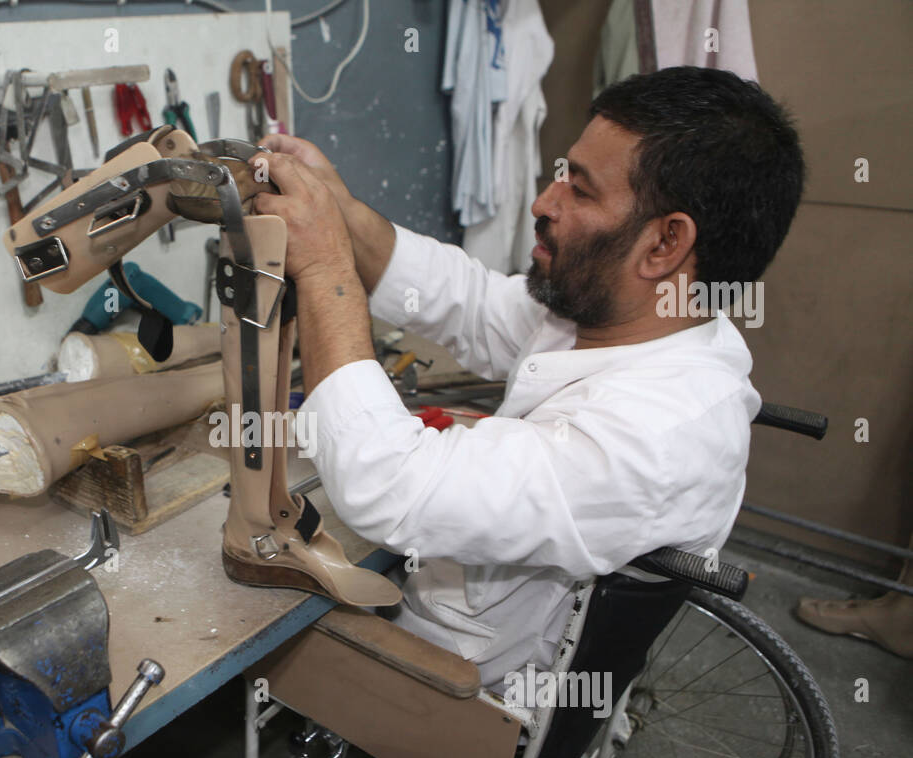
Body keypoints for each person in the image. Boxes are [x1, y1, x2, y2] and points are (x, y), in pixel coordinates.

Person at [250, 66, 805, 691]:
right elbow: (468, 301)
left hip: (471, 680)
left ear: (664, 244)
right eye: (561, 174)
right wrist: (343, 214)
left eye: (582, 192)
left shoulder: (655, 438)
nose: (545, 202)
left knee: (253, 645)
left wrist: (324, 264)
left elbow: (387, 483)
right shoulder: (633, 317)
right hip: (454, 602)